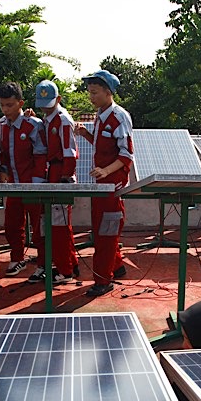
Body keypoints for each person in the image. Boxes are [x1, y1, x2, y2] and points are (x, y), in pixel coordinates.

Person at [75, 70, 133, 297]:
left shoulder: (119, 117)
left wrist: (105, 172)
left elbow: (126, 155)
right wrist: (85, 135)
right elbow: (102, 145)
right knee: (100, 229)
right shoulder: (100, 115)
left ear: (108, 92)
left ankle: (103, 280)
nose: (91, 97)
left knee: (106, 234)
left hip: (112, 186)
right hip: (101, 184)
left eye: (95, 93)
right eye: (90, 92)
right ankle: (116, 266)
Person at [0, 82, 47, 277]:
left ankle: (43, 263)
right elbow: (1, 155)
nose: (5, 110)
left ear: (20, 103)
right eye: (2, 105)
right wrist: (2, 171)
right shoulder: (0, 127)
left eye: (10, 105)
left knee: (39, 226)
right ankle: (17, 259)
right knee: (12, 224)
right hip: (13, 184)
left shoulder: (34, 125)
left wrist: (37, 183)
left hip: (33, 185)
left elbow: (41, 155)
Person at [32, 80, 80, 284]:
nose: (45, 107)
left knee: (59, 225)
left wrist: (65, 177)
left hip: (61, 173)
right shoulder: (47, 119)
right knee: (51, 223)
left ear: (58, 100)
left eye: (49, 103)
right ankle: (69, 262)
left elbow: (70, 152)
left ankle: (65, 270)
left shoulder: (63, 120)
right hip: (51, 171)